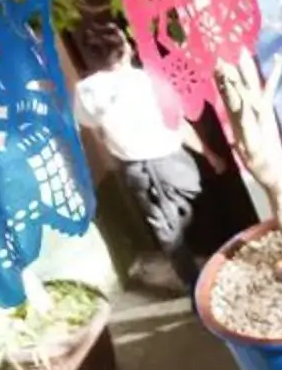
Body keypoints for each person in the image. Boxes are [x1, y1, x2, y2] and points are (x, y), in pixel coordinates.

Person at [72, 18, 224, 289]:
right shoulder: (149, 80)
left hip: (133, 168)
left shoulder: (86, 91)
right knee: (200, 214)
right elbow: (178, 124)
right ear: (127, 48)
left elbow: (94, 130)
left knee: (165, 229)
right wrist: (209, 154)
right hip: (171, 161)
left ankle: (194, 285)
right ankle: (220, 273)